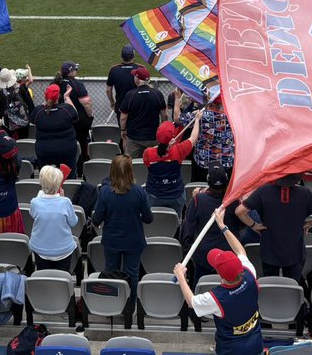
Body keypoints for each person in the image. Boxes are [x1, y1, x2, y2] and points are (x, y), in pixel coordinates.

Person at [173, 206, 263, 355]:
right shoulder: (249, 273)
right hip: (255, 345)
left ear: (220, 274)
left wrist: (181, 277)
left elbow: (192, 302)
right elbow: (240, 251)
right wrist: (223, 226)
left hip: (230, 351)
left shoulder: (216, 298)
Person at [236, 174, 312, 279]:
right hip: (295, 252)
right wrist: (310, 223)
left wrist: (254, 225)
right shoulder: (305, 194)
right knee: (292, 287)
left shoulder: (263, 191)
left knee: (271, 285)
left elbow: (239, 212)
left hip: (269, 251)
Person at [92, 155, 153, 315]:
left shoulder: (105, 192)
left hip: (112, 241)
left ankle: (112, 306)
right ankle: (129, 308)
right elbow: (148, 218)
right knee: (132, 273)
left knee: (110, 271)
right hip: (134, 241)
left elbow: (96, 218)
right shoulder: (139, 192)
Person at [180, 166, 246, 283]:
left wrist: (189, 249)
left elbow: (188, 226)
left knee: (200, 287)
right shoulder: (234, 201)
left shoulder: (198, 199)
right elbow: (242, 223)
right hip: (228, 253)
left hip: (204, 254)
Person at [144, 115, 200, 213]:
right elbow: (194, 138)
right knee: (176, 221)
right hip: (176, 195)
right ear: (172, 138)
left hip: (154, 194)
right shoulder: (178, 150)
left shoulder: (148, 153)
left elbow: (150, 161)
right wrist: (197, 120)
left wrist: (168, 145)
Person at [28, 164, 79, 271]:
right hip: (63, 250)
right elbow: (73, 222)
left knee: (43, 276)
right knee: (62, 276)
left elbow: (33, 214)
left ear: (41, 182)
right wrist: (63, 198)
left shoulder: (35, 202)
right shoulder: (65, 202)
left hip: (40, 249)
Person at [32, 83, 80, 177]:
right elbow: (76, 114)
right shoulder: (66, 110)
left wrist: (46, 103)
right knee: (68, 177)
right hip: (66, 151)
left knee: (46, 178)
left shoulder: (38, 111)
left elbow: (36, 118)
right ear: (58, 97)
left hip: (44, 152)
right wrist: (67, 97)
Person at [119, 67, 165, 158]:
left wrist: (123, 130)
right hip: (153, 137)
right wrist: (161, 128)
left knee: (131, 164)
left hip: (134, 138)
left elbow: (123, 117)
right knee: (153, 161)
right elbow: (164, 114)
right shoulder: (157, 94)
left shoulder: (130, 95)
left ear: (137, 79)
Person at [190, 97, 234, 181]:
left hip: (203, 162)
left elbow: (179, 119)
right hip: (225, 162)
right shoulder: (233, 115)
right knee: (223, 190)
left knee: (200, 186)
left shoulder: (202, 114)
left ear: (212, 103)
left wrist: (177, 99)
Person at [59, 61, 93, 164]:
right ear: (70, 72)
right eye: (75, 69)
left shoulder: (56, 82)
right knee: (82, 143)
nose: (76, 71)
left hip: (61, 119)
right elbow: (87, 103)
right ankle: (81, 167)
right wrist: (90, 116)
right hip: (78, 121)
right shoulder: (77, 84)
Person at [106, 45, 140, 123]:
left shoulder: (114, 69)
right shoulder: (140, 68)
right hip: (137, 105)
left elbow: (108, 90)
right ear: (133, 56)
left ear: (122, 56)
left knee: (123, 129)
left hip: (120, 105)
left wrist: (112, 102)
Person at [0, 67, 34, 138]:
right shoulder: (20, 87)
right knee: (24, 140)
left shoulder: (0, 93)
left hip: (9, 123)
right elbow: (29, 103)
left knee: (10, 141)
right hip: (23, 120)